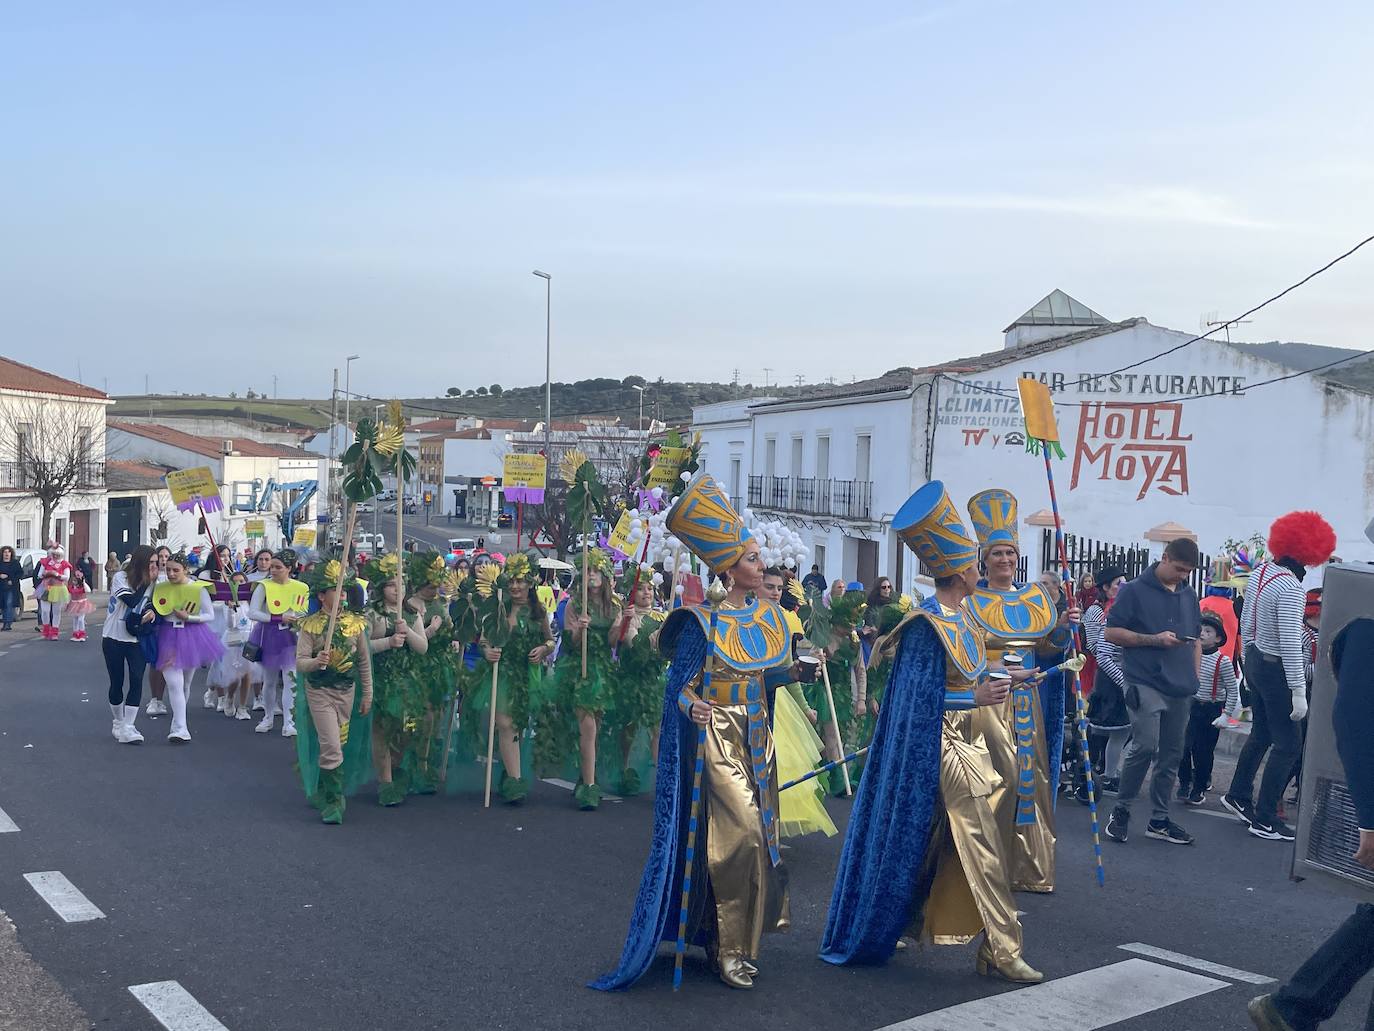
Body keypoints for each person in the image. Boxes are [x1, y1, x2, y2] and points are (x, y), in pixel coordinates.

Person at [820, 480, 1040, 984]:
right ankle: (1002, 948)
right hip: (939, 741)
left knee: (934, 835)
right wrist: (973, 697)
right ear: (959, 570)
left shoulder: (966, 617)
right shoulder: (925, 625)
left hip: (972, 737)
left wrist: (1002, 680)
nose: (978, 567)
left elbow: (973, 674)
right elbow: (914, 701)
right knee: (981, 838)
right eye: (972, 561)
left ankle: (900, 917)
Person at [591, 474, 804, 991]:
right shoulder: (698, 621)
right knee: (744, 834)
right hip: (717, 740)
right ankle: (730, 949)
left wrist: (797, 673)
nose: (761, 566)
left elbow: (767, 671)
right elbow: (679, 687)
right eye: (752, 560)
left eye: (760, 559)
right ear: (730, 569)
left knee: (756, 838)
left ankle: (725, 937)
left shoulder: (774, 617)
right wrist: (692, 706)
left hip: (759, 736)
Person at [1248, 615, 1374, 1031]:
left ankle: (1295, 1007)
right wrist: (1370, 819)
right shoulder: (1367, 628)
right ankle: (1295, 1006)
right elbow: (1355, 725)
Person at [963, 488, 1067, 893]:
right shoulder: (970, 601)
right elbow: (964, 655)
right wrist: (994, 669)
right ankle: (990, 865)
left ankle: (1029, 868)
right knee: (996, 778)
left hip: (1027, 702)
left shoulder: (1034, 597)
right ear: (984, 561)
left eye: (1009, 553)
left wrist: (1065, 624)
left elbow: (1047, 647)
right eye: (996, 554)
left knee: (1031, 776)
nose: (1004, 560)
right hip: (991, 701)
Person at [1222, 511, 1336, 842]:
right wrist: (1299, 691)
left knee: (1261, 733)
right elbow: (1289, 640)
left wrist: (1245, 663)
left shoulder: (1260, 573)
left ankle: (1238, 794)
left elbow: (1245, 621)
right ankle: (1265, 816)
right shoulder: (1290, 587)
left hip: (1256, 661)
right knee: (1288, 744)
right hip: (1275, 667)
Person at [1103, 538, 1203, 846]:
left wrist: (1194, 677)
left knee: (1172, 753)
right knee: (1144, 746)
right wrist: (1155, 640)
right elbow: (1111, 632)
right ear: (1164, 557)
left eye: (1188, 571)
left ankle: (1159, 818)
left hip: (1180, 684)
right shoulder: (1133, 590)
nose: (1183, 576)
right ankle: (1121, 810)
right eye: (1179, 569)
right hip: (1143, 679)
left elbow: (1196, 640)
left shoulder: (1189, 594)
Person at [465, 552, 552, 804]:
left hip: (527, 676)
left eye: (520, 581)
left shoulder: (538, 611)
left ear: (530, 583)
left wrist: (543, 649)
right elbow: (483, 640)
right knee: (505, 724)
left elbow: (550, 639)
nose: (515, 586)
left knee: (518, 727)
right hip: (501, 673)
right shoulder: (497, 608)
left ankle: (508, 771)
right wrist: (488, 651)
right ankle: (515, 781)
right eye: (511, 581)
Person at [293, 560, 374, 825]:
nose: (341, 595)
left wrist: (368, 695)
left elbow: (363, 661)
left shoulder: (356, 624)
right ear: (321, 595)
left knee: (339, 743)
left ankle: (326, 790)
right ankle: (334, 801)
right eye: (335, 590)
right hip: (319, 690)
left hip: (346, 692)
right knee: (330, 744)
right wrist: (317, 662)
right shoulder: (311, 625)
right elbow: (300, 662)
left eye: (343, 590)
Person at [362, 553, 430, 806]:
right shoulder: (373, 614)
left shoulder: (412, 613)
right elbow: (363, 648)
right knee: (382, 732)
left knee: (406, 732)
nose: (397, 589)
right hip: (381, 680)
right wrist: (388, 642)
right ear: (382, 588)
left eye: (401, 583)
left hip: (408, 683)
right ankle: (386, 782)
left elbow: (422, 647)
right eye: (392, 584)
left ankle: (396, 768)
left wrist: (408, 631)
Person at [554, 549, 620, 810]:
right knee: (588, 727)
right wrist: (581, 629)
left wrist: (620, 625)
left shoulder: (614, 605)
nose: (592, 576)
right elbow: (570, 643)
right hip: (578, 669)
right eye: (588, 571)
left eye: (596, 571)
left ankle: (584, 777)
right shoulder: (573, 604)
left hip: (602, 670)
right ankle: (591, 787)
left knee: (596, 728)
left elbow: (613, 643)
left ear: (604, 576)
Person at [152, 552, 225, 743]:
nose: (171, 574)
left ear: (186, 570)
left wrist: (190, 617)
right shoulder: (160, 587)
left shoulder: (198, 588)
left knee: (185, 683)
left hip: (191, 635)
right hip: (167, 636)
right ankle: (180, 728)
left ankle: (179, 721)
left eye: (176, 570)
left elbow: (209, 614)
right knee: (174, 683)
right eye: (168, 570)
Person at [609, 571, 665, 796]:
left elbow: (664, 649)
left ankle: (662, 779)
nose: (646, 593)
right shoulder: (624, 615)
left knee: (657, 730)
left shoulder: (662, 618)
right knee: (628, 729)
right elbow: (621, 643)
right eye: (641, 589)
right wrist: (626, 622)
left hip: (653, 682)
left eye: (649, 588)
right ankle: (624, 769)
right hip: (630, 681)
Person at [1176, 612, 1240, 806]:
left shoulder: (1223, 662)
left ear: (1218, 638)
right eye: (1200, 630)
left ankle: (1200, 786)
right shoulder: (1189, 655)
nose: (1202, 634)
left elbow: (1232, 689)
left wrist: (1227, 714)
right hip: (1191, 706)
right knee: (1183, 748)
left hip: (1211, 710)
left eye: (1208, 631)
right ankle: (1184, 782)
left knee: (1203, 752)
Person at [247, 549, 309, 737]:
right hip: (270, 635)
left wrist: (298, 619)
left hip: (292, 636)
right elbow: (253, 612)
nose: (273, 570)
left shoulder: (301, 587)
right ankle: (268, 716)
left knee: (291, 679)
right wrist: (277, 617)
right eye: (272, 566)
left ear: (289, 568)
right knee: (270, 680)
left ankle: (288, 722)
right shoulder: (263, 586)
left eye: (278, 567)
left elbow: (305, 610)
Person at [102, 545, 158, 745]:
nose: (154, 566)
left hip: (136, 638)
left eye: (156, 562)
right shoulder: (120, 578)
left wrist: (151, 611)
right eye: (151, 562)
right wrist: (147, 581)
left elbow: (148, 602)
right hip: (113, 637)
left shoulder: (152, 582)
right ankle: (118, 721)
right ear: (141, 562)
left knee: (136, 679)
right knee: (117, 682)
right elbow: (133, 600)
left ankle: (129, 726)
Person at [1082, 566, 1130, 796]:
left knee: (1117, 729)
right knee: (1100, 727)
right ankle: (1099, 771)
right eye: (1117, 582)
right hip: (1098, 670)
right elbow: (1094, 646)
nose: (1122, 587)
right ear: (1105, 587)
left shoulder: (1120, 610)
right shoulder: (1096, 611)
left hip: (1109, 669)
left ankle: (1107, 770)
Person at [37, 543, 72, 640]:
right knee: (45, 611)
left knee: (56, 611)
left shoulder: (64, 564)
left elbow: (67, 577)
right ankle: (46, 630)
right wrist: (46, 574)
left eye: (57, 554)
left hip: (58, 588)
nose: (55, 556)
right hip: (46, 588)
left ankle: (55, 632)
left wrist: (56, 574)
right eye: (54, 554)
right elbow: (39, 574)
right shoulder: (46, 562)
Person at [65, 567, 93, 642]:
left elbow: (88, 590)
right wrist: (67, 602)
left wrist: (83, 582)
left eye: (75, 580)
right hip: (74, 604)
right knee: (75, 619)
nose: (73, 582)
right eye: (73, 580)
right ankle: (75, 634)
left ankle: (82, 634)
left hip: (82, 604)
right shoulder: (71, 587)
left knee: (81, 619)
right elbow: (69, 595)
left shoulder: (83, 587)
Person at [0, 545, 23, 631]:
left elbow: (20, 573)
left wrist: (11, 579)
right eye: (5, 552)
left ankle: (7, 623)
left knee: (9, 604)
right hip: (1, 587)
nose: (6, 554)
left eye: (8, 552)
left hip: (11, 588)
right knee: (3, 606)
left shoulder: (15, 563)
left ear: (11, 553)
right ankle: (5, 622)